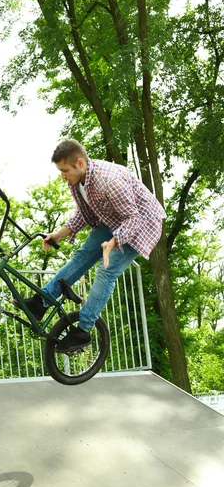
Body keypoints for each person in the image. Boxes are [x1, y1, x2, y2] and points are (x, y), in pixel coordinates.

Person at [13, 139, 166, 353]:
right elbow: (83, 214)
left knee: (106, 271)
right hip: (114, 219)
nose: (63, 176)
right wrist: (58, 235)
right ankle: (41, 302)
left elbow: (133, 219)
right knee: (82, 255)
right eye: (60, 171)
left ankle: (82, 332)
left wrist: (112, 242)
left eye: (65, 170)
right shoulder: (77, 181)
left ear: (80, 164)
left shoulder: (109, 181)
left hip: (142, 225)